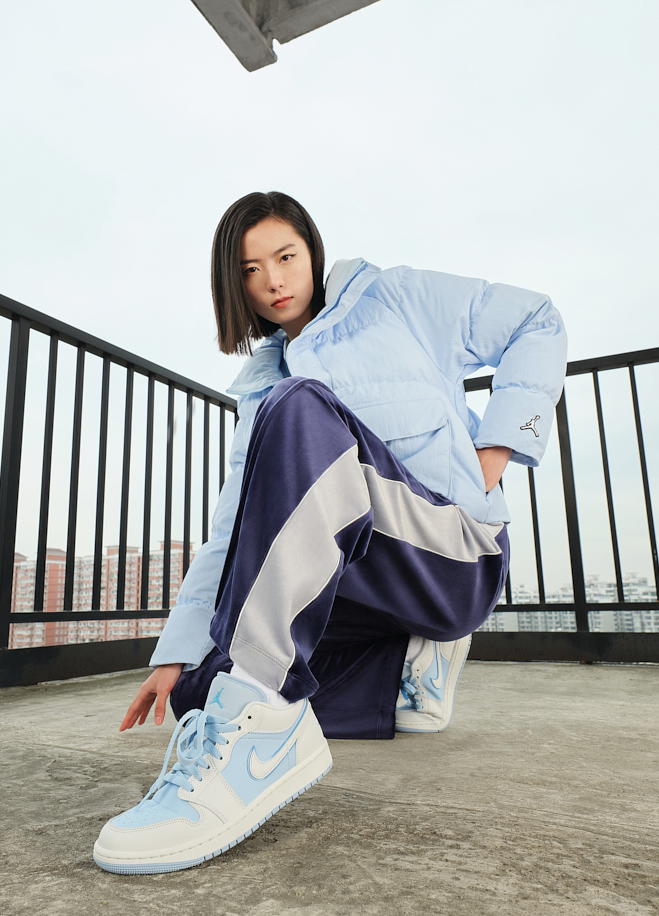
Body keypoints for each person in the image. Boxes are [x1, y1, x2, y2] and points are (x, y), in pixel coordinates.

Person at [93, 191, 567, 875]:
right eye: (251, 270)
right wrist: (174, 655)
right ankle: (403, 675)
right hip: (363, 584)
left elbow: (536, 318)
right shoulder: (261, 391)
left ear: (312, 251)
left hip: (451, 554)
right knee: (201, 686)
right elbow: (232, 533)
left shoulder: (393, 299)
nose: (273, 281)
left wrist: (498, 446)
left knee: (302, 408)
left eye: (285, 257)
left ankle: (262, 738)